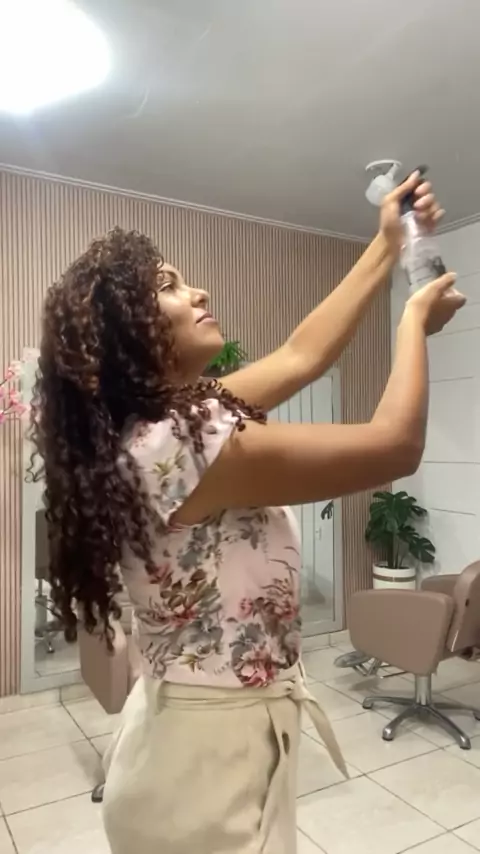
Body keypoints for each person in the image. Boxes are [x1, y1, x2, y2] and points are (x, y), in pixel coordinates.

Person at [30, 172, 465, 854]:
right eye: (169, 286)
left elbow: (302, 355)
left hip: (186, 736)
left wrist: (387, 242)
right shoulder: (183, 443)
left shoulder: (159, 429)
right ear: (128, 337)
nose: (198, 292)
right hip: (205, 762)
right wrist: (413, 321)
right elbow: (395, 447)